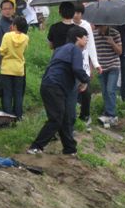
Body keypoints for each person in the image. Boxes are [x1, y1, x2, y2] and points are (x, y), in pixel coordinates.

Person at [27, 26, 90, 155]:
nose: (87, 41)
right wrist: (86, 80)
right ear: (78, 38)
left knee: (65, 117)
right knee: (56, 118)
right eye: (86, 38)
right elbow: (77, 69)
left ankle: (70, 149)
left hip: (49, 85)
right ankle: (36, 146)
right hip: (55, 86)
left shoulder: (60, 49)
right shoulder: (75, 50)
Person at [0, 16, 29, 120]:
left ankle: (7, 116)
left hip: (7, 68)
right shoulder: (26, 37)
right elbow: (24, 50)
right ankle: (18, 115)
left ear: (14, 26)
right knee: (18, 93)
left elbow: (2, 51)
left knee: (7, 93)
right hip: (19, 69)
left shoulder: (7, 36)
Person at [93, 25, 122, 128]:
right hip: (101, 67)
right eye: (98, 26)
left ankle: (112, 115)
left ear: (106, 24)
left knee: (110, 90)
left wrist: (112, 43)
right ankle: (107, 113)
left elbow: (120, 51)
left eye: (101, 26)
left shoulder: (115, 33)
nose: (99, 28)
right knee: (105, 91)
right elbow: (92, 52)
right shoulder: (94, 35)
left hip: (113, 65)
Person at [0, 0, 14, 66]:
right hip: (6, 60)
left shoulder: (15, 23)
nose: (7, 11)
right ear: (1, 11)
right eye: (5, 9)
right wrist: (0, 63)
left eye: (10, 8)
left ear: (13, 10)